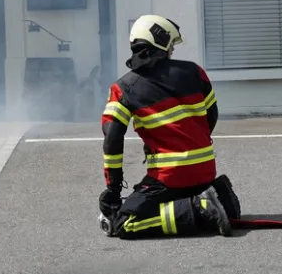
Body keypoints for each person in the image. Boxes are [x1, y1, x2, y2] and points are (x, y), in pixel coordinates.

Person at [98, 14, 242, 239]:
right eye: (171, 45)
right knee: (161, 198)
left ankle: (198, 207)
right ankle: (214, 198)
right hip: (205, 171)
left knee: (124, 222)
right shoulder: (195, 72)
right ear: (160, 41)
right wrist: (192, 142)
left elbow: (112, 140)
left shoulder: (123, 88)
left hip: (169, 178)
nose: (172, 51)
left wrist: (113, 190)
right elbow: (211, 115)